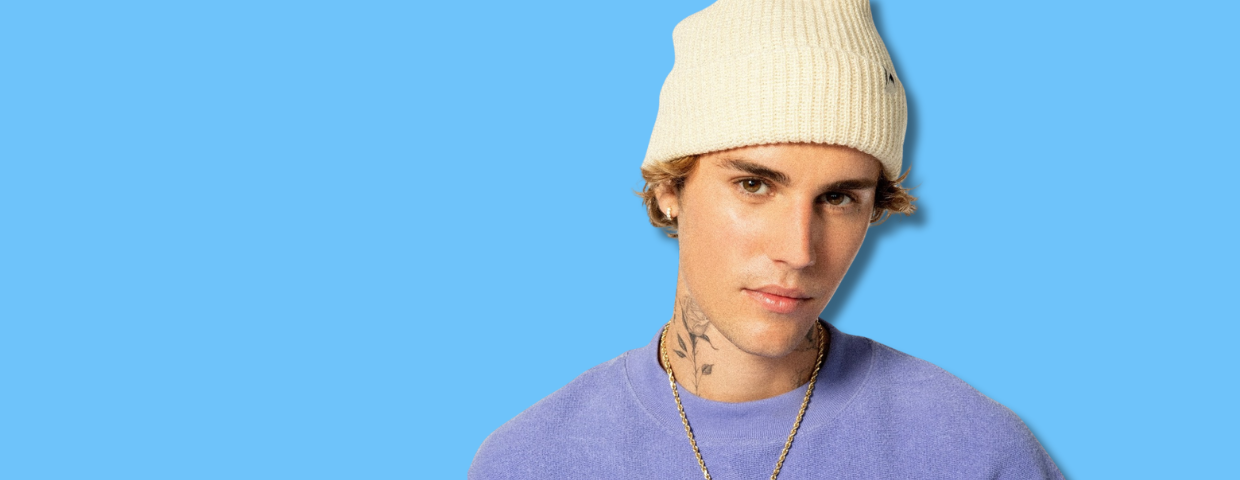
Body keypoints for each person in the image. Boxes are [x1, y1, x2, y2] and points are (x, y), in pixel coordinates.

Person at [469, 0, 1065, 478]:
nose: (799, 251)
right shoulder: (530, 461)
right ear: (669, 189)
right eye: (754, 185)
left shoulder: (974, 453)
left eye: (839, 198)